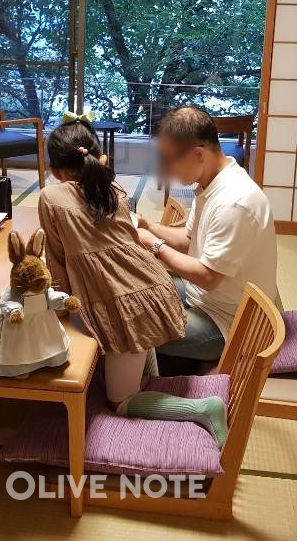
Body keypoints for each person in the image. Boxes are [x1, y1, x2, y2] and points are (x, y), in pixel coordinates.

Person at [38, 116, 229, 447]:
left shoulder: (50, 199)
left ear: (54, 170)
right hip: (153, 286)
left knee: (120, 400)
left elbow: (57, 264)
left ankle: (202, 409)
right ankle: (148, 378)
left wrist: (61, 309)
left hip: (124, 303)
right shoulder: (114, 189)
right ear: (99, 158)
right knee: (135, 336)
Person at [136, 105, 278, 368]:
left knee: (130, 329)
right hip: (206, 297)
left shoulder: (234, 202)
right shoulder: (211, 182)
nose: (165, 169)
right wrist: (149, 226)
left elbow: (208, 277)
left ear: (198, 154)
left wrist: (154, 245)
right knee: (138, 287)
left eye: (168, 159)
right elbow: (190, 241)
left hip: (231, 323)